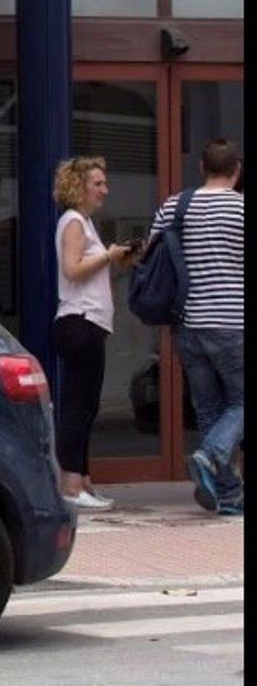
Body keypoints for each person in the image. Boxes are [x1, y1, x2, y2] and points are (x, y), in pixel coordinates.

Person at [151, 139, 244, 516]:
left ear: (201, 166)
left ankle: (228, 496)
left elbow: (151, 256)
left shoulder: (175, 206)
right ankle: (211, 455)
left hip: (187, 323)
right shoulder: (241, 209)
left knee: (209, 408)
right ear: (237, 169)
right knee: (240, 402)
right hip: (233, 322)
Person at [51, 157, 136, 510]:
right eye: (97, 183)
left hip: (91, 322)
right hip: (79, 321)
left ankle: (83, 480)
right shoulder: (73, 222)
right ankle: (70, 484)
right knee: (77, 404)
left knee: (87, 404)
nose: (104, 190)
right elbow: (72, 270)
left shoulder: (85, 223)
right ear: (79, 187)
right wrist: (108, 256)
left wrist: (118, 261)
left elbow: (90, 273)